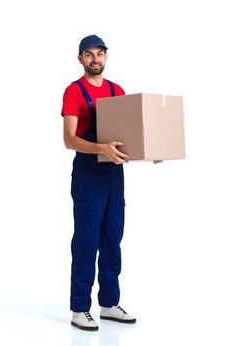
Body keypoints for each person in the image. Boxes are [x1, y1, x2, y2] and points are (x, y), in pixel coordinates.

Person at [61, 35, 136, 331]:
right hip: (88, 174)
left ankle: (108, 303)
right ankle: (80, 307)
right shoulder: (73, 92)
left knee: (112, 238)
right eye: (89, 54)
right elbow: (68, 139)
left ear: (106, 56)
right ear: (80, 58)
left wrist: (150, 149)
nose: (95, 58)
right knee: (87, 240)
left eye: (100, 53)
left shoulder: (118, 91)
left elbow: (129, 135)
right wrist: (100, 148)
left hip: (114, 175)